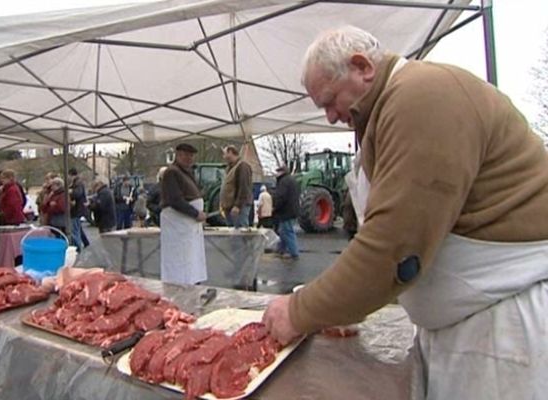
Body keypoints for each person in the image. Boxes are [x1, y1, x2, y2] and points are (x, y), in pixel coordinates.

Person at [262, 26, 548, 399]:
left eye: (330, 101)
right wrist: (344, 303)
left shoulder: (424, 95)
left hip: (503, 325)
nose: (330, 116)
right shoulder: (383, 113)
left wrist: (300, 311)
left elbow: (394, 247)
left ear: (363, 66)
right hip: (462, 327)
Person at [159, 143, 207, 285]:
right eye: (185, 155)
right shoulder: (171, 172)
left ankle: (190, 282)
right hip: (177, 223)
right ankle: (180, 286)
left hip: (187, 225)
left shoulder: (186, 172)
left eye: (191, 156)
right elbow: (175, 200)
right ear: (178, 155)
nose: (189, 158)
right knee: (179, 260)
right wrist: (194, 213)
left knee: (190, 258)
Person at [220, 145, 253, 228]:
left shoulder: (242, 166)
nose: (223, 157)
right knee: (233, 235)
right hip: (229, 207)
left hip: (239, 208)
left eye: (225, 154)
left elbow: (244, 187)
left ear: (231, 152)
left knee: (241, 233)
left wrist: (237, 206)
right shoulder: (230, 168)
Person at [272, 166, 300, 260]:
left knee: (287, 231)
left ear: (282, 172)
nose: (276, 173)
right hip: (291, 209)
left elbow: (281, 196)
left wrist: (275, 207)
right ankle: (281, 250)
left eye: (278, 171)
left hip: (286, 211)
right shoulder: (291, 180)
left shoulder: (283, 182)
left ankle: (293, 253)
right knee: (283, 231)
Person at [68, 168, 88, 250]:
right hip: (78, 208)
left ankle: (77, 247)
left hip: (76, 209)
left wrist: (70, 192)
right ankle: (85, 242)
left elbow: (77, 193)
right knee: (78, 227)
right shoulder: (77, 182)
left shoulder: (78, 183)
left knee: (75, 229)